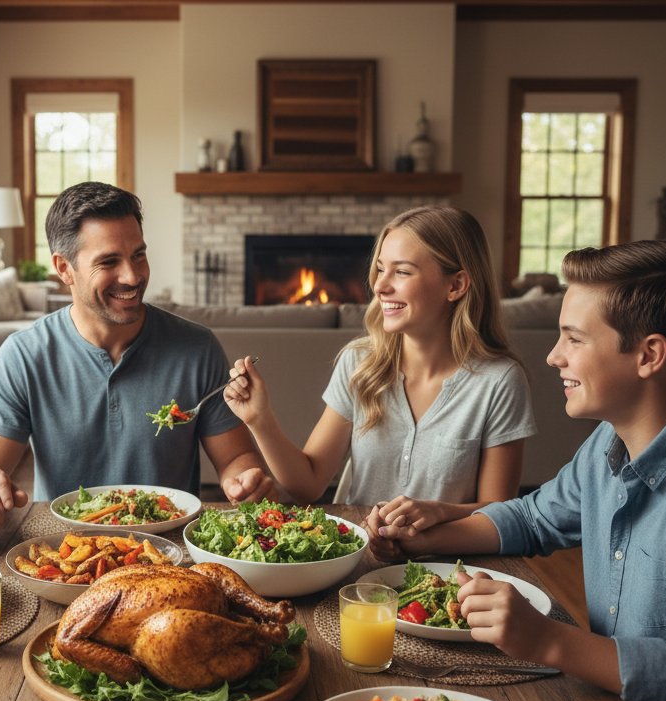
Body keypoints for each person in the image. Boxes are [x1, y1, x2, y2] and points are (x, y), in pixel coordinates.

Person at [367, 240, 666, 701]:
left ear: (649, 355)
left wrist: (545, 639)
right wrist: (427, 531)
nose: (553, 356)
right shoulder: (607, 445)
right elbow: (534, 519)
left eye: (574, 339)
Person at [0, 181, 272, 522]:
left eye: (138, 255)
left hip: (168, 550)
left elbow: (236, 458)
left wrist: (244, 480)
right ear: (64, 269)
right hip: (63, 552)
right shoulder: (24, 355)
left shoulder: (197, 348)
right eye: (109, 262)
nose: (132, 277)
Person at [224, 206, 535, 514]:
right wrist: (259, 419)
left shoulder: (499, 381)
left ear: (455, 286)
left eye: (401, 271)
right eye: (381, 269)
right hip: (363, 556)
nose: (380, 286)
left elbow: (498, 515)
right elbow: (308, 485)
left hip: (450, 562)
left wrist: (434, 518)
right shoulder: (359, 363)